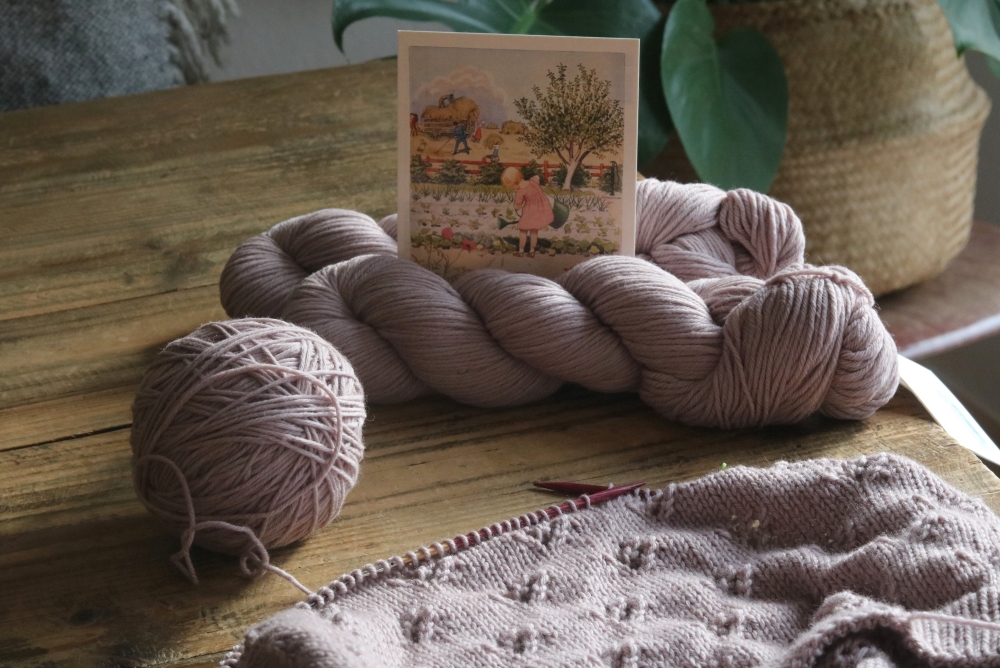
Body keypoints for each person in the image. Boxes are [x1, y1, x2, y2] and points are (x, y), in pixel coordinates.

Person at [501, 167, 553, 257]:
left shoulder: (520, 192)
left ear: (514, 183)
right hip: (541, 209)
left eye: (511, 187)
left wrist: (517, 209)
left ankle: (521, 251)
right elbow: (537, 176)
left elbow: (517, 205)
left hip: (530, 211)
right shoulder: (533, 181)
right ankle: (532, 251)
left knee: (523, 230)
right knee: (534, 231)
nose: (513, 189)